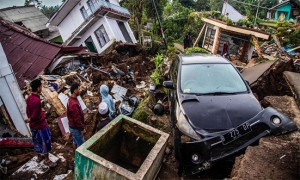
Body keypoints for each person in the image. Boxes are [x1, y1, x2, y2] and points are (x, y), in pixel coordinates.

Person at [25, 79, 57, 167]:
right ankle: (47, 159)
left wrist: (29, 119)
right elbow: (35, 115)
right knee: (46, 141)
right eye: (41, 86)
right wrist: (33, 118)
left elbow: (29, 111)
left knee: (36, 141)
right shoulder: (37, 101)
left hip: (33, 126)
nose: (41, 88)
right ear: (38, 88)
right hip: (40, 125)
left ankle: (39, 157)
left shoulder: (29, 98)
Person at [67, 82, 85, 151]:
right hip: (75, 128)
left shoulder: (72, 99)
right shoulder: (73, 104)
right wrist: (82, 128)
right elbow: (77, 119)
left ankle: (74, 154)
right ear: (75, 91)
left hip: (73, 126)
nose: (80, 90)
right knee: (81, 145)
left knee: (75, 140)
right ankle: (78, 160)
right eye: (79, 89)